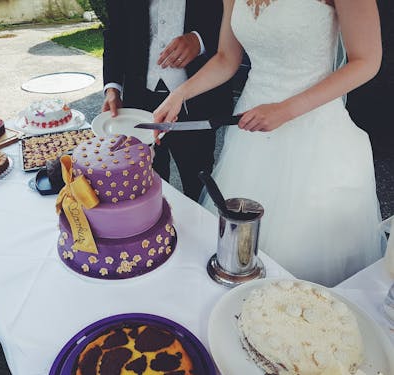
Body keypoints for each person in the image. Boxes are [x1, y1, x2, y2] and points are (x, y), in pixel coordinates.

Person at [153, 0, 385, 286]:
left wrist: (285, 109)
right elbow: (227, 58)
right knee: (239, 252)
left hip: (314, 134)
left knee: (296, 263)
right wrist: (180, 94)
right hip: (251, 133)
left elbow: (367, 61)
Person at [101, 0, 232, 201]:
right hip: (140, 102)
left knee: (199, 184)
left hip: (198, 102)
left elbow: (233, 22)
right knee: (147, 183)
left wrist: (200, 40)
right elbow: (115, 31)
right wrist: (112, 87)